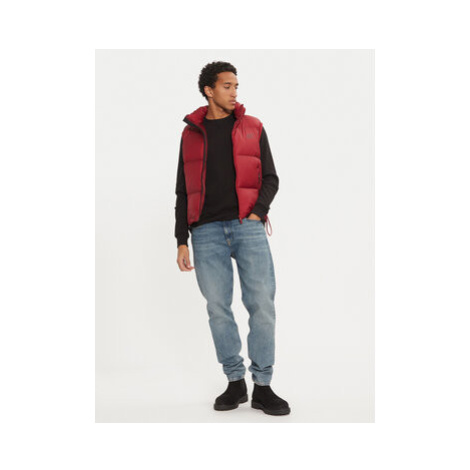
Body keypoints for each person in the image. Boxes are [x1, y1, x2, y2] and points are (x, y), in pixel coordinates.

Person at [174, 61, 290, 416]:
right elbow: (183, 190)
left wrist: (256, 214)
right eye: (227, 86)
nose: (234, 92)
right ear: (209, 90)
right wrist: (181, 239)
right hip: (205, 232)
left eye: (236, 86)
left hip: (247, 227)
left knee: (262, 305)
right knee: (218, 309)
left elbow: (270, 178)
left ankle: (263, 386)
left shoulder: (252, 127)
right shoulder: (191, 134)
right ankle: (235, 381)